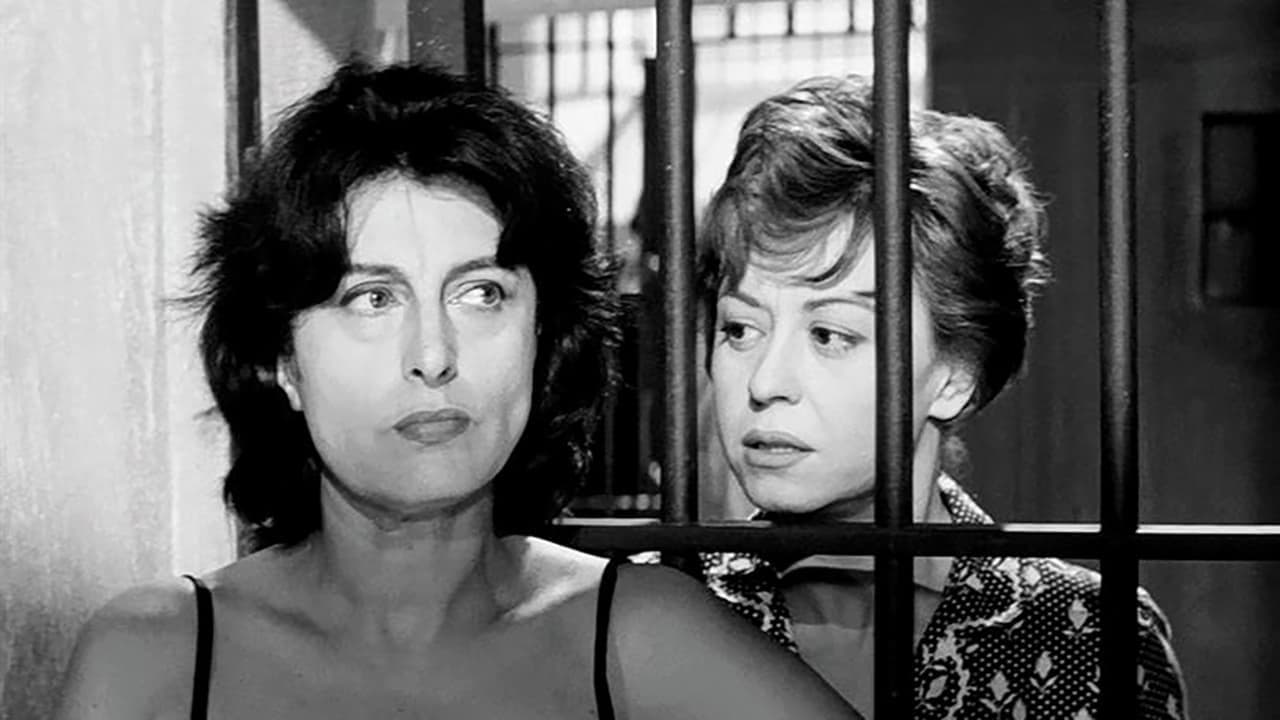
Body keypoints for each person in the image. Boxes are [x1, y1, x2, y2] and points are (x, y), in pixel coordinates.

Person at [53, 61, 860, 720]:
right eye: (372, 299)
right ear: (281, 360)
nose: (433, 355)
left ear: (543, 336)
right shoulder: (154, 658)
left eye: (481, 294)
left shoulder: (644, 636)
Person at [695, 75, 1188, 719]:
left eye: (830, 335)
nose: (765, 383)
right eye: (739, 329)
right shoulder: (644, 602)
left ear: (955, 375)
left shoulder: (1092, 636)